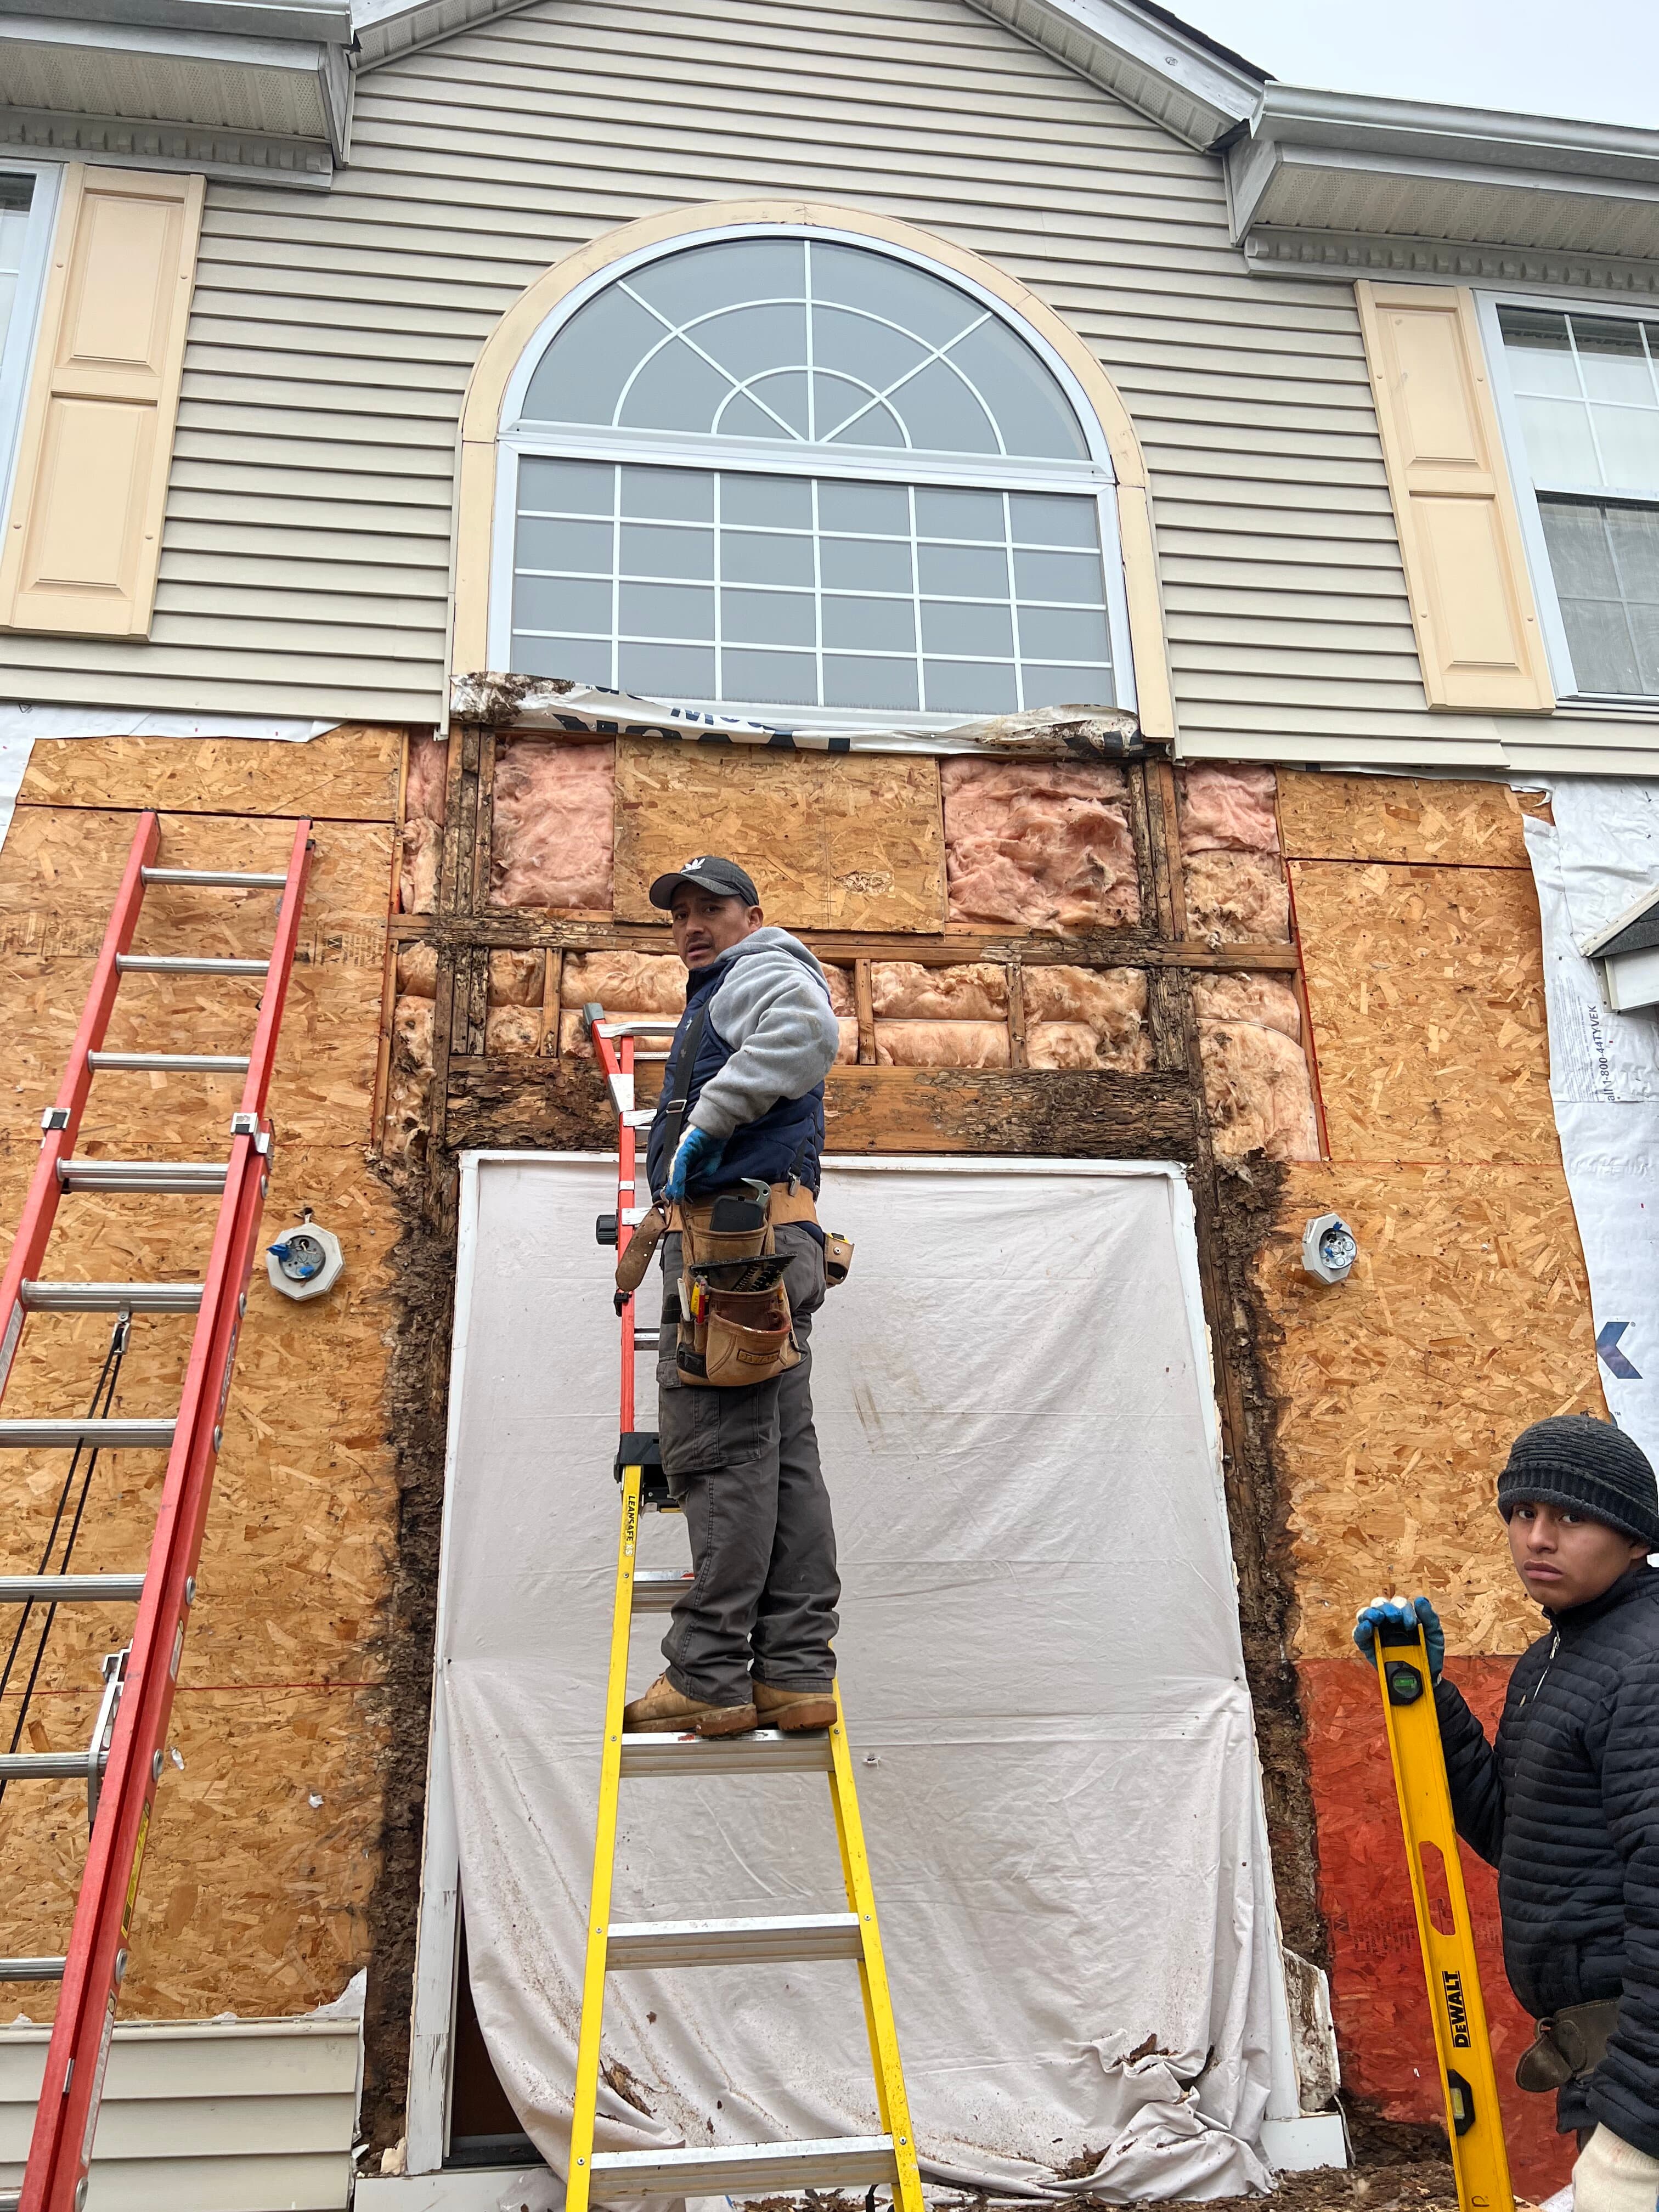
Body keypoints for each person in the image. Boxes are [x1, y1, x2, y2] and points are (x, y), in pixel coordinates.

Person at [1353, 1415, 1659, 2212]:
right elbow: (1516, 1831)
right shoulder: (1557, 1658)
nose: (1538, 1538)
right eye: (1523, 1514)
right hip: (1605, 2061)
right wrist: (1429, 1698)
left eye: (1571, 1517)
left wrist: (1642, 2110)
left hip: (1643, 2070)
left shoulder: (1649, 1660)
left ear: (1634, 1537)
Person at [622, 854, 844, 1741]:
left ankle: (711, 1672)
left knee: (721, 1454)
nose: (693, 926)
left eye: (711, 908)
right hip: (771, 1244)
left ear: (752, 915)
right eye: (680, 915)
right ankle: (793, 1673)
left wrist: (707, 1123)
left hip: (733, 1252)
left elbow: (806, 1034)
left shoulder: (759, 971)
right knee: (786, 1467)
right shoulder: (737, 978)